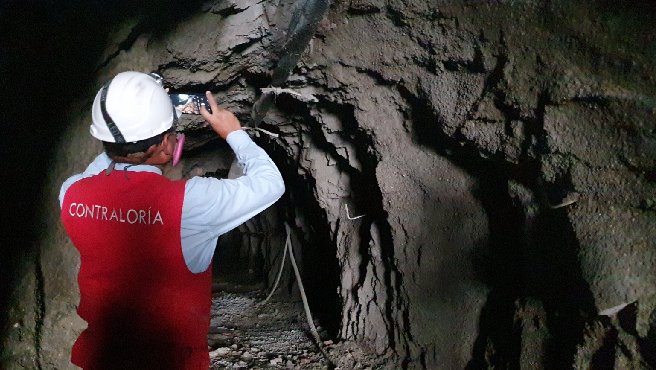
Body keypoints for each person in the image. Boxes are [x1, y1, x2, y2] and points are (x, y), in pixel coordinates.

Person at [59, 71, 285, 369]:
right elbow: (271, 184)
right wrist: (234, 133)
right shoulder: (190, 203)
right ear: (166, 145)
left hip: (102, 357)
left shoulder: (71, 193)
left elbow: (105, 162)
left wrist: (137, 119)